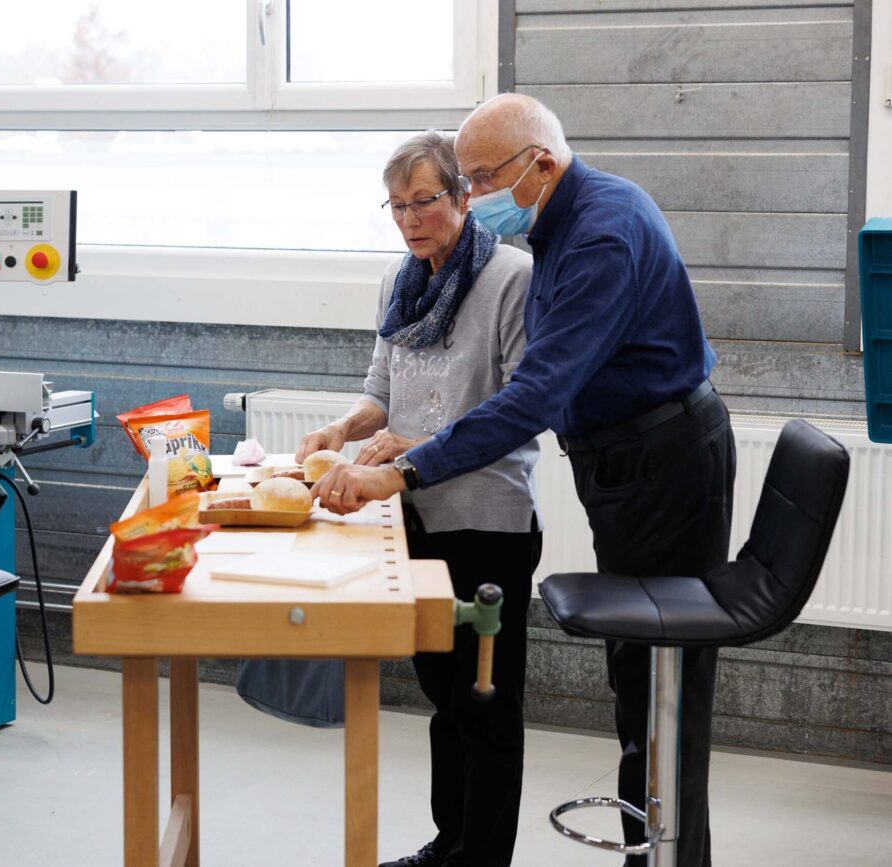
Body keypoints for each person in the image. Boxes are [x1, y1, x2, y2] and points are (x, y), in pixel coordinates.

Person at [310, 94, 735, 867]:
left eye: (475, 180)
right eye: (462, 180)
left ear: (539, 163)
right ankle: (610, 850)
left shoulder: (598, 234)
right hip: (621, 464)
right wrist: (369, 445)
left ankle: (667, 858)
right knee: (635, 679)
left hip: (662, 464)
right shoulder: (553, 227)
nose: (473, 197)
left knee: (662, 689)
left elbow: (532, 395)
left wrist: (406, 466)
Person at [294, 131, 541, 867]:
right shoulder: (399, 280)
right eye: (397, 205)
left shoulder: (512, 277)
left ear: (464, 198)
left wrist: (417, 444)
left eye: (425, 201)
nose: (410, 220)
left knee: (486, 699)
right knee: (443, 693)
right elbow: (383, 387)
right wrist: (342, 429)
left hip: (487, 518)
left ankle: (482, 857)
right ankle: (449, 842)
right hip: (413, 514)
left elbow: (520, 408)